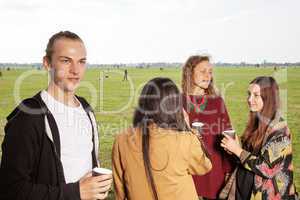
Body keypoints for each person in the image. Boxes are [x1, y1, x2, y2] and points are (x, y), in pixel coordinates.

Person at [0, 31, 112, 200]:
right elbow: (11, 190)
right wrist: (76, 193)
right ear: (47, 63)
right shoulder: (28, 116)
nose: (75, 70)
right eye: (66, 61)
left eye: (81, 62)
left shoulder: (86, 109)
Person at [112, 77, 212, 200]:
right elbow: (204, 166)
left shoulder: (121, 139)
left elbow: (119, 189)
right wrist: (188, 129)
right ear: (175, 106)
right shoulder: (186, 139)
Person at [220, 76, 298, 200]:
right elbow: (248, 157)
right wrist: (234, 149)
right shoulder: (257, 123)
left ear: (268, 99)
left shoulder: (280, 130)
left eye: (256, 95)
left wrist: (237, 150)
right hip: (245, 191)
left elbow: (267, 168)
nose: (249, 99)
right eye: (249, 94)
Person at [181, 55, 235, 200]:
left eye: (210, 72)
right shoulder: (177, 101)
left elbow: (227, 137)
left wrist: (228, 170)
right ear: (189, 73)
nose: (208, 75)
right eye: (203, 71)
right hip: (187, 171)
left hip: (214, 171)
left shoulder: (217, 102)